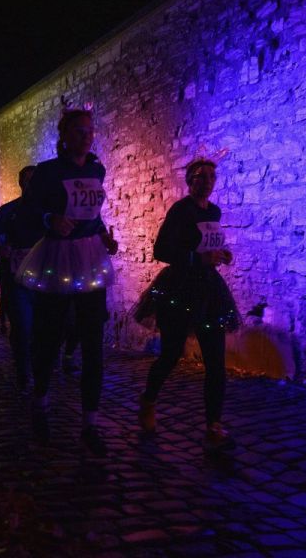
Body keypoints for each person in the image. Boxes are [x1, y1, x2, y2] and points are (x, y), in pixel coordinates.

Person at [17, 107, 118, 456]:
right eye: (79, 131)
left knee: (93, 341)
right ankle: (41, 403)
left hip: (90, 257)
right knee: (50, 336)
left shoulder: (96, 169)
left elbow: (93, 213)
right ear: (64, 135)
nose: (86, 137)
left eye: (90, 131)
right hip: (58, 257)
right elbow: (28, 210)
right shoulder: (48, 171)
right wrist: (50, 219)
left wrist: (103, 235)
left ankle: (90, 423)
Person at [132, 158, 241, 452]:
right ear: (190, 180)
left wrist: (221, 253)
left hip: (209, 292)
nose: (207, 182)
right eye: (200, 176)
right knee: (170, 355)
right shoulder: (180, 210)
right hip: (180, 289)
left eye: (211, 177)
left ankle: (213, 426)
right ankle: (148, 400)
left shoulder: (214, 211)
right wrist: (196, 258)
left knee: (215, 361)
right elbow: (162, 250)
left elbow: (206, 243)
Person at [0, 165, 41, 391]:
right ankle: (23, 371)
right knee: (22, 324)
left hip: (45, 277)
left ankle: (39, 366)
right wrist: (2, 250)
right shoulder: (8, 211)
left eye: (35, 180)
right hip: (15, 276)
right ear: (21, 183)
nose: (31, 184)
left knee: (43, 326)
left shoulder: (48, 211)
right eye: (27, 180)